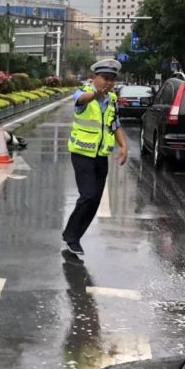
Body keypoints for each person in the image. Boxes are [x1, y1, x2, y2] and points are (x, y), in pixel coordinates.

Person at [62, 59, 128, 258]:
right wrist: (94, 95)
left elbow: (114, 124)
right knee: (88, 195)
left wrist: (123, 145)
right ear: (94, 78)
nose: (108, 83)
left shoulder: (113, 99)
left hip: (101, 156)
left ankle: (75, 237)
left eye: (112, 80)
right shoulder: (82, 92)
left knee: (95, 200)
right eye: (105, 78)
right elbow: (80, 101)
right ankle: (70, 236)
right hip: (82, 154)